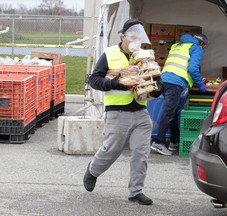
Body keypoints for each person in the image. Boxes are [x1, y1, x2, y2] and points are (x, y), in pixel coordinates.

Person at [83, 19, 163, 205]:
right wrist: (113, 83)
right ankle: (93, 171)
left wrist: (158, 88)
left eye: (139, 36)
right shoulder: (110, 54)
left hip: (141, 113)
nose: (136, 39)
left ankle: (136, 191)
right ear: (123, 37)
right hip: (117, 113)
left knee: (140, 154)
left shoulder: (144, 57)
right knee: (111, 150)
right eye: (132, 36)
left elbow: (159, 82)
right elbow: (94, 80)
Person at [150, 33, 208, 156]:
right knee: (169, 113)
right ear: (202, 43)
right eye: (204, 47)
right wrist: (201, 85)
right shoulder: (196, 47)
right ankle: (158, 142)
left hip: (165, 79)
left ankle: (174, 141)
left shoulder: (178, 45)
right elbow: (192, 69)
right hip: (175, 82)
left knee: (173, 112)